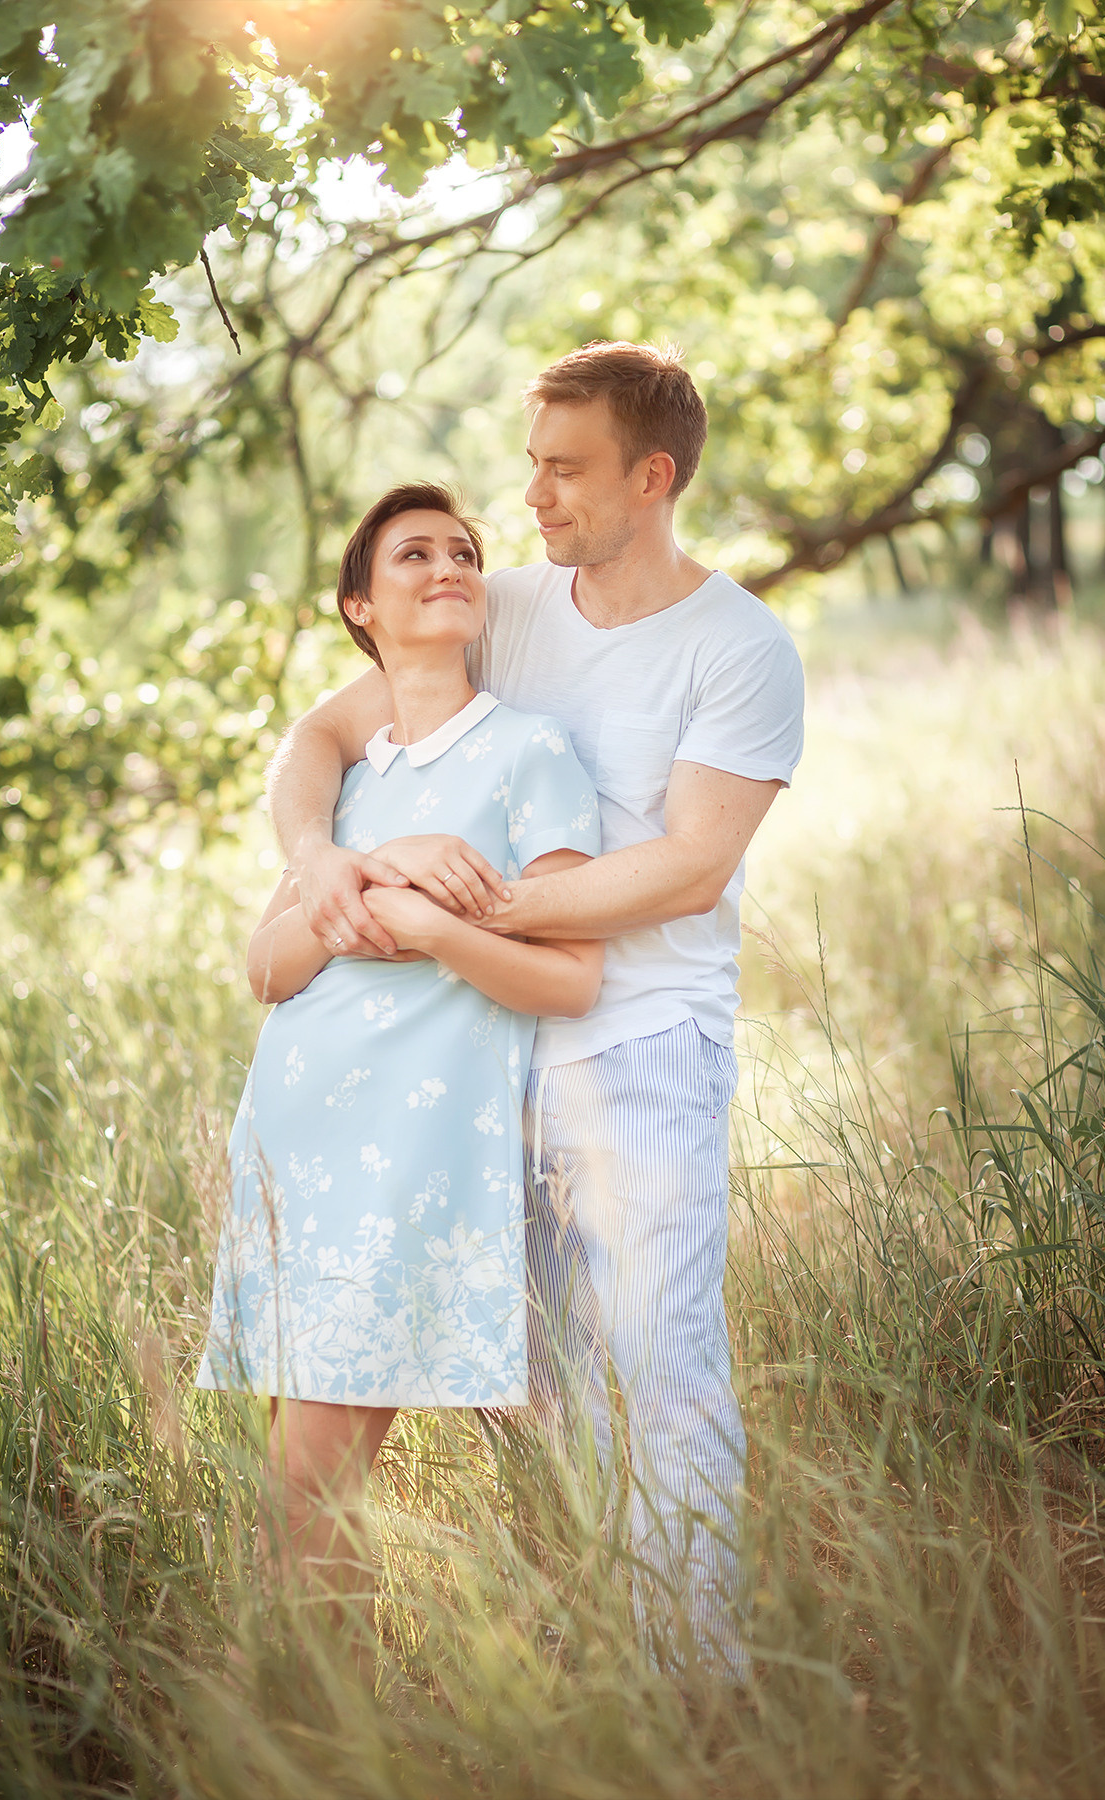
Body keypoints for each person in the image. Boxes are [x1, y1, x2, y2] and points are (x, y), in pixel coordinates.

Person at [265, 343, 805, 1679]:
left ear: (652, 476)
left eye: (565, 469)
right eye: (533, 463)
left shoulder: (738, 646)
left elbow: (687, 870)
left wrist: (461, 916)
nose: (537, 493)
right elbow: (321, 740)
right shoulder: (500, 601)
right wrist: (327, 861)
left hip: (639, 1046)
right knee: (526, 1378)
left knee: (660, 1362)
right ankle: (587, 1635)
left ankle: (695, 1680)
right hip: (479, 1052)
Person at [196, 482, 603, 1619]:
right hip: (293, 1153)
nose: (449, 566)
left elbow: (573, 976)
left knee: (306, 1487)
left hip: (408, 1155)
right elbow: (268, 969)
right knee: (299, 1483)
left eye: (465, 552)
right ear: (359, 605)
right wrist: (366, 868)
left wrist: (430, 925)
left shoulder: (531, 753)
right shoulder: (355, 781)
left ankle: (299, 1739)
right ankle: (320, 1732)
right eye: (415, 554)